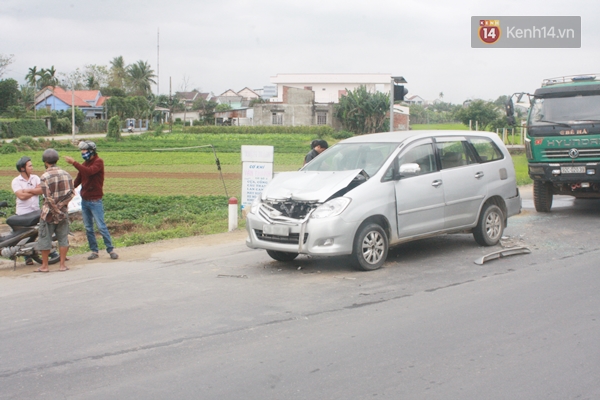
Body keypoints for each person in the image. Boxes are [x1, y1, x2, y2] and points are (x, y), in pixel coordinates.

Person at [64, 141, 118, 260]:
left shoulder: (98, 162)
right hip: (85, 200)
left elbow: (89, 172)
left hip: (95, 200)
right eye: (82, 151)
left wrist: (74, 162)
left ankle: (111, 249)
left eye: (85, 151)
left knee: (101, 226)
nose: (83, 153)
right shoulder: (84, 164)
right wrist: (68, 188)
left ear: (92, 151)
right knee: (88, 228)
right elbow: (78, 180)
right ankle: (94, 251)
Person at [12, 156, 60, 265]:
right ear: (22, 168)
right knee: (25, 236)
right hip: (22, 213)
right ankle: (27, 257)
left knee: (40, 233)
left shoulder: (35, 178)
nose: (32, 167)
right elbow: (21, 196)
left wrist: (27, 190)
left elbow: (41, 190)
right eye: (30, 166)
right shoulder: (16, 181)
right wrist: (34, 191)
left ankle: (52, 253)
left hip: (35, 211)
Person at [36, 149, 75, 272]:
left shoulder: (44, 177)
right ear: (57, 160)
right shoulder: (66, 174)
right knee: (63, 238)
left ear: (45, 162)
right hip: (63, 212)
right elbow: (72, 193)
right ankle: (62, 265)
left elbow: (48, 197)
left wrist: (54, 209)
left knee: (45, 238)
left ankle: (45, 266)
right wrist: (60, 207)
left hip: (48, 213)